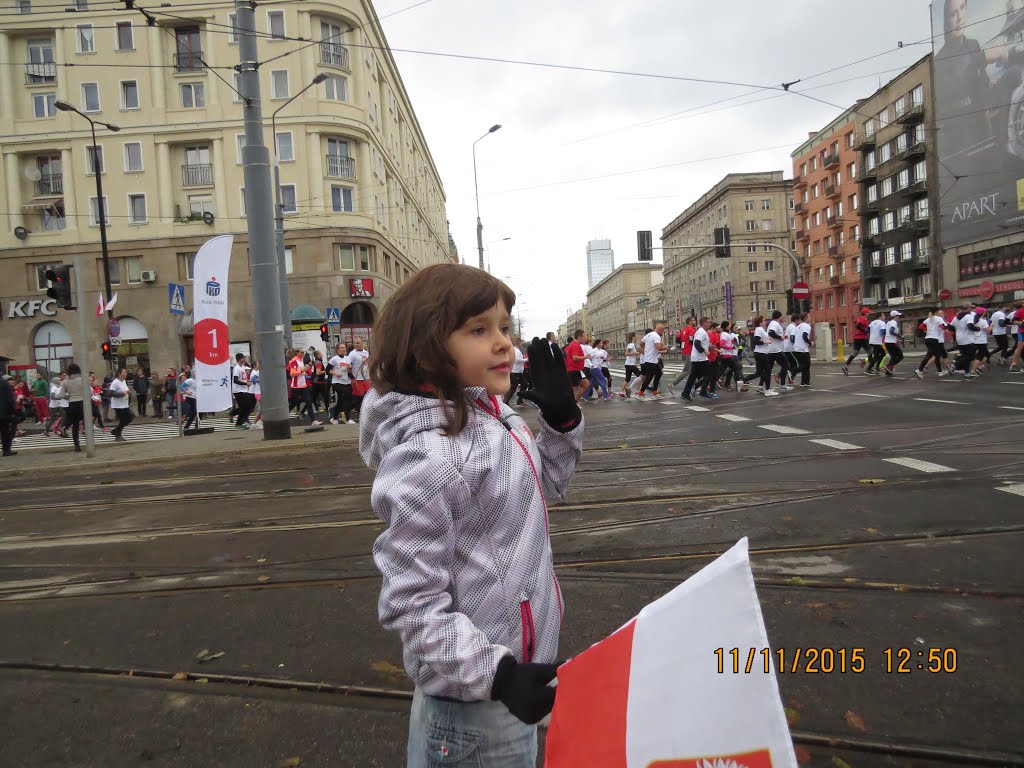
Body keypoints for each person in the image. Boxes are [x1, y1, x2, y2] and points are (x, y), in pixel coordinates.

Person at [358, 263, 583, 767]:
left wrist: (560, 423)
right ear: (426, 350)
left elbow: (543, 488)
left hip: (511, 688)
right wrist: (498, 674)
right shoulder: (428, 459)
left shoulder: (496, 419)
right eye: (479, 330)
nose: (503, 342)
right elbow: (413, 605)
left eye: (505, 327)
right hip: (469, 712)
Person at [681, 317, 712, 402]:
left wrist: (709, 347)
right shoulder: (701, 332)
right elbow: (696, 343)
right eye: (708, 322)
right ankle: (702, 392)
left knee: (693, 376)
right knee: (709, 374)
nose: (710, 324)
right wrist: (704, 351)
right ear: (703, 323)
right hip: (700, 358)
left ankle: (685, 393)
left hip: (698, 358)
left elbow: (700, 343)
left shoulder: (701, 332)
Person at [57, 364, 87, 452]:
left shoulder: (66, 382)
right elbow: (89, 392)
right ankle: (89, 442)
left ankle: (77, 445)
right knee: (87, 421)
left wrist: (69, 396)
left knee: (75, 425)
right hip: (83, 403)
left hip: (72, 403)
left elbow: (60, 395)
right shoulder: (83, 379)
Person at [287, 348, 320, 426]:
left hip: (303, 385)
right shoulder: (294, 361)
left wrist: (304, 372)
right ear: (297, 352)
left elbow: (299, 371)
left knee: (309, 401)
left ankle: (313, 421)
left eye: (304, 352)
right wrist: (302, 371)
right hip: (296, 386)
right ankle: (282, 417)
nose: (303, 354)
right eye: (301, 352)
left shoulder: (301, 360)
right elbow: (292, 373)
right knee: (293, 403)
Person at [636, 323, 667, 401]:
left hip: (650, 360)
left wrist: (648, 349)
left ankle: (654, 393)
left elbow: (641, 343)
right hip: (651, 361)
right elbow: (658, 347)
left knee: (659, 373)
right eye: (662, 332)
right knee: (649, 378)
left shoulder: (648, 335)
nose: (662, 333)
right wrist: (664, 347)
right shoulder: (656, 336)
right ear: (660, 330)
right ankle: (640, 394)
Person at [916, 309, 949, 378]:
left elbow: (920, 326)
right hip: (934, 339)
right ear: (936, 312)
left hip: (927, 338)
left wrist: (928, 330)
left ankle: (920, 369)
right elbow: (943, 327)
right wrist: (946, 327)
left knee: (930, 355)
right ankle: (939, 372)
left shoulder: (928, 319)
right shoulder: (938, 318)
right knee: (937, 355)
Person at [562, 329, 590, 402]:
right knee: (583, 385)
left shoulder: (575, 344)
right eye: (584, 336)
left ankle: (574, 403)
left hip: (576, 369)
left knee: (578, 387)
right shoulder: (575, 345)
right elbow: (575, 357)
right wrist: (586, 357)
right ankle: (574, 403)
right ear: (579, 337)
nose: (585, 338)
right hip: (574, 369)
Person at [347, 337, 370, 423]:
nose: (356, 345)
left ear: (362, 343)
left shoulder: (366, 352)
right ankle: (343, 411)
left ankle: (363, 416)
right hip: (357, 379)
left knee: (366, 398)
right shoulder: (352, 354)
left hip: (366, 378)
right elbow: (348, 366)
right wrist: (351, 377)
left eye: (358, 343)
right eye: (355, 343)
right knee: (358, 398)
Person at [843, 308, 872, 375]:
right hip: (862, 338)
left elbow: (858, 325)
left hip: (857, 338)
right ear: (865, 313)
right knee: (870, 351)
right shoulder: (863, 318)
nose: (869, 314)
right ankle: (870, 368)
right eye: (868, 313)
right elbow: (858, 325)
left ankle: (846, 365)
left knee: (855, 353)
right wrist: (864, 330)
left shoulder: (860, 318)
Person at [328, 343, 352, 425]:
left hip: (346, 381)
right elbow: (327, 370)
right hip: (337, 382)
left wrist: (349, 368)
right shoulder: (334, 359)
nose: (344, 349)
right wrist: (335, 373)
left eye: (344, 348)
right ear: (337, 350)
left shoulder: (348, 358)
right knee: (345, 398)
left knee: (341, 402)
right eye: (341, 348)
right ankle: (348, 418)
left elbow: (348, 371)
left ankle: (334, 418)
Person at [231, 353, 256, 428]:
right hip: (238, 391)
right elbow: (235, 380)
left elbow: (242, 378)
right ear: (239, 359)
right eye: (243, 358)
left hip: (244, 390)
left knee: (249, 406)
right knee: (246, 407)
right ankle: (236, 418)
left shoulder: (242, 367)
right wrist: (245, 384)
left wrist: (247, 381)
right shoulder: (237, 368)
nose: (244, 359)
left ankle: (239, 421)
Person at [108, 367, 133, 442]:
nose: (126, 374)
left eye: (126, 372)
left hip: (124, 404)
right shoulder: (115, 382)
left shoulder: (124, 381)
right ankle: (118, 435)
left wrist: (128, 393)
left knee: (129, 418)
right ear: (119, 374)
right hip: (118, 405)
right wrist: (122, 393)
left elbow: (125, 390)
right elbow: (111, 393)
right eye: (124, 372)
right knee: (124, 419)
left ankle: (116, 431)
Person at [0, 374, 19, 456]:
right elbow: (10, 400)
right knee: (5, 431)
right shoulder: (5, 384)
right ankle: (6, 450)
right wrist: (14, 411)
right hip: (3, 413)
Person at [882, 310, 905, 376]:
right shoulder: (894, 322)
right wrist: (900, 336)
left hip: (887, 342)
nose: (898, 317)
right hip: (891, 342)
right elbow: (891, 332)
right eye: (898, 316)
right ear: (895, 316)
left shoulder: (888, 323)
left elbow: (886, 332)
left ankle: (888, 372)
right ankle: (889, 366)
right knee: (900, 356)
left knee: (893, 357)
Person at [792, 314, 812, 386]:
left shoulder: (798, 326)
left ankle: (804, 382)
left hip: (797, 348)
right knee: (806, 365)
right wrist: (810, 343)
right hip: (803, 349)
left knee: (803, 365)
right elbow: (804, 336)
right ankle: (793, 370)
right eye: (809, 316)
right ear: (806, 318)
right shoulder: (807, 326)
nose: (810, 318)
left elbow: (794, 338)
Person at [507, 336, 527, 406]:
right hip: (515, 372)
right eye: (520, 341)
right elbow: (517, 360)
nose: (521, 343)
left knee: (524, 384)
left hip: (518, 372)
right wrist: (527, 360)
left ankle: (519, 400)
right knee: (514, 387)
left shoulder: (516, 349)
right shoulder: (515, 350)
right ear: (517, 342)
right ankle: (506, 402)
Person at [619, 332, 640, 398]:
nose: (637, 338)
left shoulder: (631, 344)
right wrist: (636, 353)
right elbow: (626, 353)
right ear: (633, 337)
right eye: (636, 336)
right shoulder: (631, 345)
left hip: (628, 363)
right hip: (630, 364)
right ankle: (637, 391)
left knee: (627, 379)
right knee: (641, 376)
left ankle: (621, 392)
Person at [250, 361, 264, 430]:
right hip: (259, 392)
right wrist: (261, 380)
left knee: (263, 409)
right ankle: (257, 423)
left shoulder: (262, 371)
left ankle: (257, 423)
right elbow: (253, 379)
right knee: (262, 409)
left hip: (262, 392)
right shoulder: (258, 372)